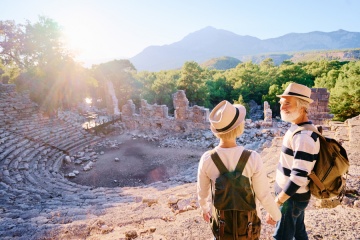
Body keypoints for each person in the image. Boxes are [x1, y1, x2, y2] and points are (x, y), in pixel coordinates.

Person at [197, 100, 281, 238]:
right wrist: (275, 215)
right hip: (249, 226)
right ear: (240, 127)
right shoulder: (253, 158)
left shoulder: (207, 159)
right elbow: (263, 194)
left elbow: (203, 192)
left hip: (222, 225)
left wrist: (204, 209)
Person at [266, 83, 320, 239]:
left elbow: (298, 177)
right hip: (294, 197)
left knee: (281, 236)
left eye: (288, 103)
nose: (282, 107)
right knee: (298, 233)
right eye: (281, 103)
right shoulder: (298, 128)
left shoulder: (303, 137)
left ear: (302, 106)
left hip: (291, 199)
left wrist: (277, 203)